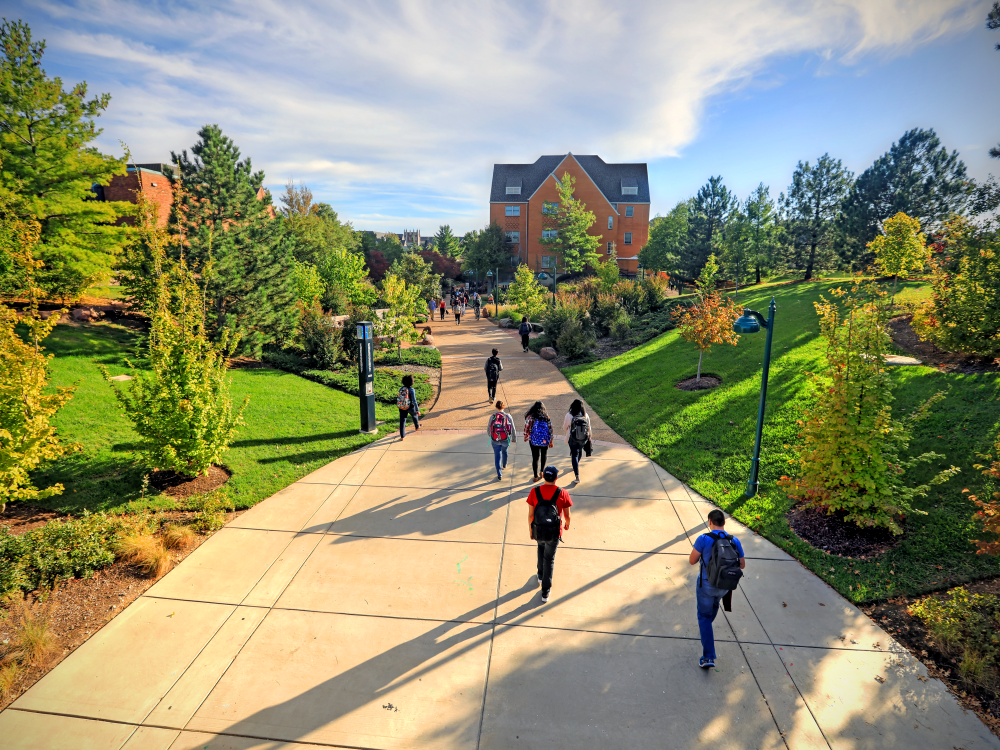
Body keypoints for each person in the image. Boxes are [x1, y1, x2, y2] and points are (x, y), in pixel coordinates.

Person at [688, 509, 746, 669]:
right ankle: (706, 629)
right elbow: (742, 565)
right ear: (724, 523)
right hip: (724, 587)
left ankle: (708, 657)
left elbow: (692, 561)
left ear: (710, 522)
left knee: (704, 616)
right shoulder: (735, 541)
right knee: (714, 606)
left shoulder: (703, 539)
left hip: (706, 586)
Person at [527, 465, 572, 603]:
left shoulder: (534, 491)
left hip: (538, 529)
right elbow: (567, 515)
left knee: (540, 548)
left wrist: (531, 530)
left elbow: (530, 515)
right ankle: (545, 591)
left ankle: (540, 575)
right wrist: (567, 524)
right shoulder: (562, 492)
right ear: (556, 478)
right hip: (554, 532)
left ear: (543, 476)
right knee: (549, 558)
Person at [523, 401, 554, 481]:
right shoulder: (546, 417)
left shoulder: (530, 417)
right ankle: (542, 471)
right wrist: (551, 441)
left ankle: (535, 476)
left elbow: (526, 428)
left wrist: (526, 436)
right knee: (544, 455)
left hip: (533, 441)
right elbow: (551, 429)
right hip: (544, 440)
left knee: (535, 457)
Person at [562, 399, 592, 483]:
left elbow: (564, 428)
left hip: (572, 438)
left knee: (574, 454)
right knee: (579, 452)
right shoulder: (585, 415)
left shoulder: (569, 415)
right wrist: (589, 437)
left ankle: (577, 476)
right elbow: (589, 428)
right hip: (583, 439)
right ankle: (576, 465)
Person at [488, 400, 514, 481]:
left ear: (496, 407)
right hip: (505, 439)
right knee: (505, 451)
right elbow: (513, 428)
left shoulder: (492, 417)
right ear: (504, 407)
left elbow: (488, 428)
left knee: (497, 456)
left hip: (495, 440)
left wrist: (492, 436)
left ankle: (499, 475)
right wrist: (513, 438)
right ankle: (505, 464)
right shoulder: (508, 416)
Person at [396, 374, 420, 440]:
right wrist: (417, 410)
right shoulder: (412, 390)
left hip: (402, 407)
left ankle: (402, 436)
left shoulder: (401, 389)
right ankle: (417, 426)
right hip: (410, 407)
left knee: (402, 421)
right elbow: (414, 401)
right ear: (411, 382)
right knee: (414, 415)